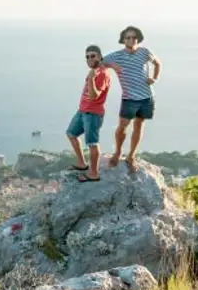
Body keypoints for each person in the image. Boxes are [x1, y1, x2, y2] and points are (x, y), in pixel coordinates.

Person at [100, 25, 162, 172]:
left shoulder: (145, 52)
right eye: (128, 37)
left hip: (147, 96)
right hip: (129, 98)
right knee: (122, 126)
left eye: (134, 37)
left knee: (139, 126)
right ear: (123, 39)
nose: (131, 40)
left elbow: (157, 63)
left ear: (138, 39)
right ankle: (118, 152)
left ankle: (131, 156)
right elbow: (99, 63)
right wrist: (112, 65)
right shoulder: (116, 56)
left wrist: (155, 78)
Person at [66, 44, 111, 182]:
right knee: (71, 134)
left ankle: (93, 173)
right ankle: (81, 163)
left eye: (93, 56)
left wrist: (91, 79)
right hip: (83, 110)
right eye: (87, 57)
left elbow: (94, 96)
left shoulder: (102, 73)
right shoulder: (94, 71)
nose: (90, 59)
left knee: (92, 143)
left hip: (93, 113)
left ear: (99, 56)